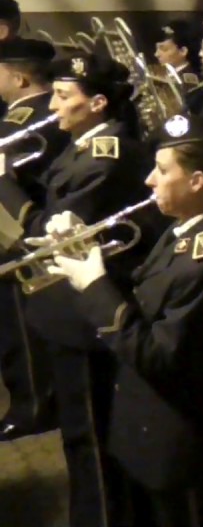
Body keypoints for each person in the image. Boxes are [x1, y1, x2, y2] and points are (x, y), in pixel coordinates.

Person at [50, 114, 203, 527]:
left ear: (198, 181)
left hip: (185, 434)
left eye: (163, 171)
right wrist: (87, 245)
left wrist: (94, 285)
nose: (149, 180)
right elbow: (150, 293)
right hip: (155, 423)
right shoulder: (184, 229)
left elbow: (159, 354)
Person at [21, 53, 159, 527]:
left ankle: (102, 516)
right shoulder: (83, 142)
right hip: (69, 305)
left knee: (90, 431)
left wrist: (1, 182)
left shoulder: (108, 155)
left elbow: (48, 231)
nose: (52, 107)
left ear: (97, 103)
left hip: (88, 310)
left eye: (63, 97)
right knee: (83, 428)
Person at [0, 38, 63, 441]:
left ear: (19, 77)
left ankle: (33, 406)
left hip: (19, 235)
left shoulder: (20, 122)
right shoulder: (48, 111)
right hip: (38, 229)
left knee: (17, 330)